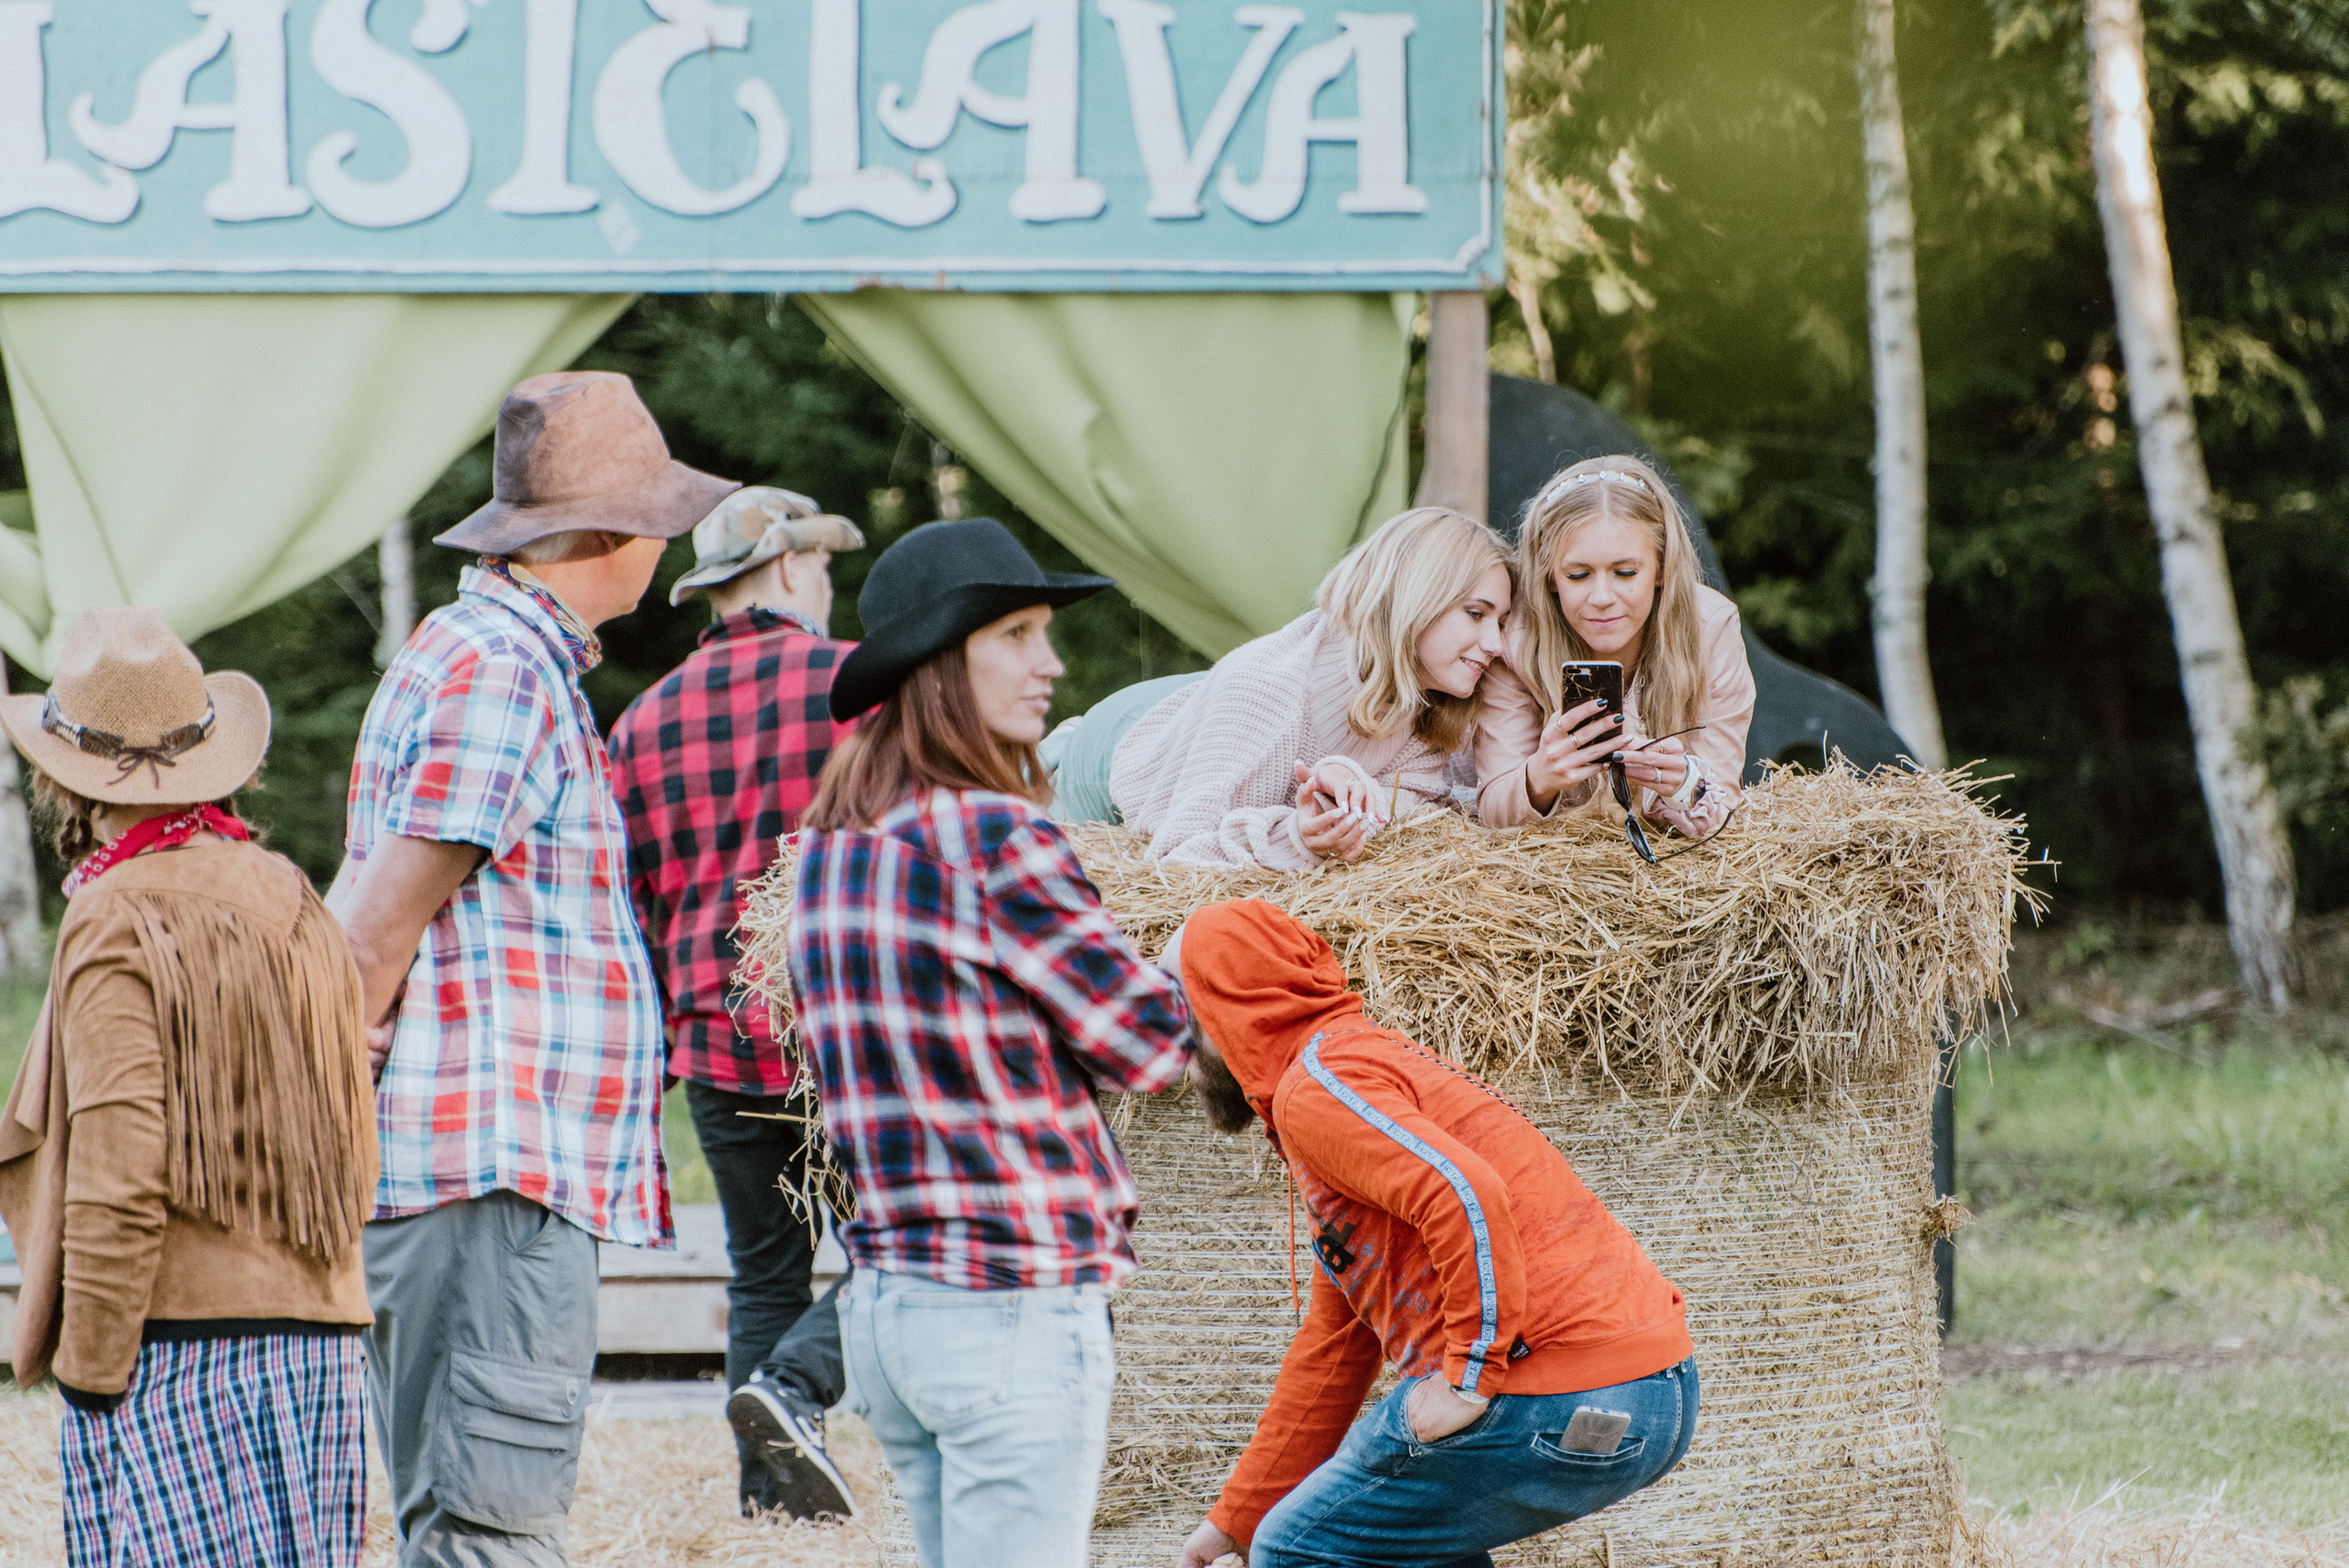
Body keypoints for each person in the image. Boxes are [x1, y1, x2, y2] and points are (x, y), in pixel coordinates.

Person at [330, 371, 735, 1567]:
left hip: (478, 1173)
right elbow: (375, 922)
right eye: (656, 517)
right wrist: (332, 1088)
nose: (666, 541)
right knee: (488, 1532)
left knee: (464, 1520)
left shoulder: (485, 654)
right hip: (488, 1175)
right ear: (612, 533)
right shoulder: (504, 672)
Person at [786, 517, 1197, 1568]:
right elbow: (1151, 1046)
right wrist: (1210, 946)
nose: (1049, 662)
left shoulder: (833, 851)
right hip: (1008, 1295)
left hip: (887, 1307)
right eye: (1015, 634)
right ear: (940, 666)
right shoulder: (993, 835)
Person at [0, 606, 377, 1566]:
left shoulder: (115, 913)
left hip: (175, 1352)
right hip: (321, 1346)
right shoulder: (290, 892)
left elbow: (121, 1170)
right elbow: (351, 1119)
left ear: (65, 778)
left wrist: (89, 1366)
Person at [1163, 898, 1699, 1568]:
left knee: (1299, 1548)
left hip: (1563, 1394)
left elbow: (1465, 1193)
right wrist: (1236, 1520)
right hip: (1651, 1399)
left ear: (1224, 1004)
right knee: (1381, 1541)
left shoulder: (1317, 1087)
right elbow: (1336, 1344)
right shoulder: (1349, 1076)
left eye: (1176, 1014)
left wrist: (1469, 1378)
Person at [607, 486, 867, 1520]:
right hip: (852, 1036)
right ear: (794, 570)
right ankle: (796, 1391)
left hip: (717, 1042)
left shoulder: (641, 720)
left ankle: (772, 1506)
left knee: (765, 1276)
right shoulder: (858, 684)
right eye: (825, 569)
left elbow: (629, 899)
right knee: (905, 1248)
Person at [1104, 507, 1513, 868]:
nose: (1496, 644)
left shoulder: (1431, 698)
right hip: (1118, 749)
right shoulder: (1264, 692)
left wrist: (1348, 789)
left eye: (1502, 622)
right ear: (1414, 600)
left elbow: (1415, 801)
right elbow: (1176, 856)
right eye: (1476, 614)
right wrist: (1295, 837)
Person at [1476, 455, 1754, 845]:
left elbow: (1724, 806)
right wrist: (1539, 777)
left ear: (1660, 568)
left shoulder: (1710, 627)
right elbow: (1491, 808)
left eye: (1625, 573)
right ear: (1550, 576)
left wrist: (1686, 785)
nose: (1602, 598)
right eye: (1578, 575)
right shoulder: (1516, 641)